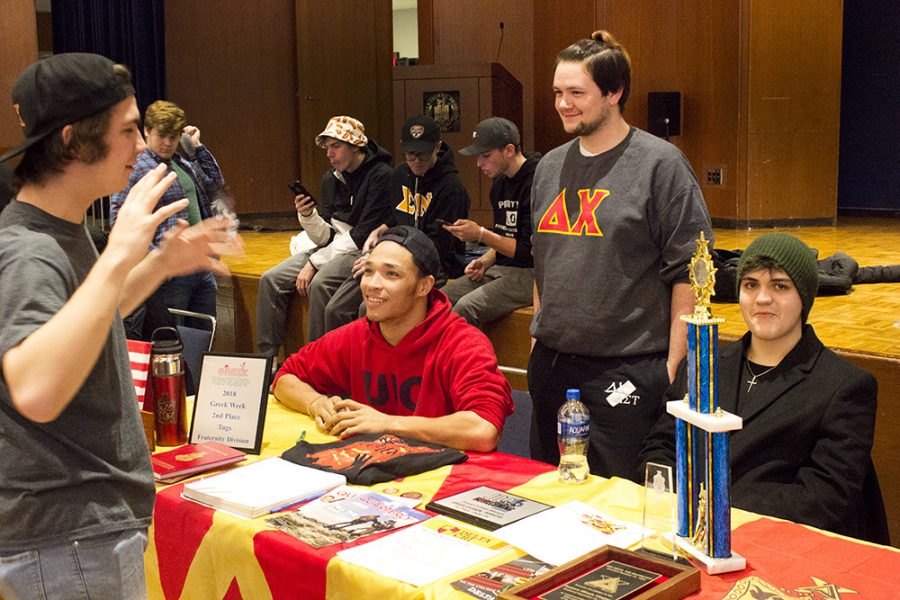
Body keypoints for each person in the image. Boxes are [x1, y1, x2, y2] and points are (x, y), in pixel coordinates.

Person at [0, 53, 240, 599]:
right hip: (68, 541)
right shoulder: (28, 251)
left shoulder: (60, 229)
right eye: (128, 130)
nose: (140, 145)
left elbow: (88, 321)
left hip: (80, 538)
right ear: (74, 141)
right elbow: (36, 390)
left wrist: (158, 263)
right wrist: (120, 256)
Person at [528, 30, 713, 480]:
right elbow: (544, 263)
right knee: (544, 498)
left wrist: (671, 366)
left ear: (614, 93)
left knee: (619, 508)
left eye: (577, 93)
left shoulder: (661, 165)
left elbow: (691, 273)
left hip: (625, 373)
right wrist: (537, 340)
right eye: (557, 92)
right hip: (552, 367)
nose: (563, 104)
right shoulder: (549, 166)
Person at [640, 233, 889, 544]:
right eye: (751, 285)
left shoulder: (845, 387)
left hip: (783, 546)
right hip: (690, 532)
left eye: (780, 286)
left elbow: (824, 498)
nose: (762, 298)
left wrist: (718, 501)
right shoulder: (705, 365)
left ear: (804, 297)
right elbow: (661, 447)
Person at [273, 226, 511, 453]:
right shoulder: (356, 335)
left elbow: (483, 429)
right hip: (378, 478)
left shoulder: (463, 344)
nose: (372, 284)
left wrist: (386, 424)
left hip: (448, 478)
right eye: (368, 271)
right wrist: (314, 403)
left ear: (424, 286)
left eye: (391, 274)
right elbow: (285, 378)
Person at [317, 114, 470, 335]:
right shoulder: (400, 174)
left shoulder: (451, 187)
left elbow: (438, 246)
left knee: (368, 309)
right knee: (336, 308)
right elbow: (397, 217)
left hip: (433, 267)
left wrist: (384, 255)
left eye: (423, 154)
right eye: (410, 154)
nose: (416, 160)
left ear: (437, 147)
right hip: (395, 259)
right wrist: (383, 228)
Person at [256, 115, 393, 354]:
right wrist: (308, 216)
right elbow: (325, 237)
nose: (329, 153)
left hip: (361, 249)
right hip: (333, 247)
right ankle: (267, 362)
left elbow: (360, 236)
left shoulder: (381, 175)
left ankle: (317, 361)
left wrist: (314, 262)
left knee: (319, 283)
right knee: (271, 279)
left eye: (336, 146)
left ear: (354, 146)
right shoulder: (331, 178)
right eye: (327, 147)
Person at [111, 99, 226, 330]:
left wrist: (196, 147)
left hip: (199, 266)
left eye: (173, 137)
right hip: (170, 270)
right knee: (173, 338)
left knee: (204, 335)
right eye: (161, 135)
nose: (167, 143)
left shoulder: (182, 163)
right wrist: (158, 259)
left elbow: (215, 183)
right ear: (146, 131)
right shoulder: (137, 168)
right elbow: (119, 220)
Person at [441, 117, 540, 329]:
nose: (479, 164)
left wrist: (480, 234)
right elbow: (505, 234)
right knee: (440, 299)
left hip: (534, 273)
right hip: (504, 266)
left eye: (486, 156)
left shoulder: (538, 181)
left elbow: (526, 251)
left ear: (509, 150)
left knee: (466, 308)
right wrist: (485, 260)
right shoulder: (499, 183)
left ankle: (467, 361)